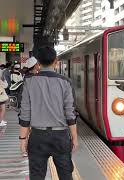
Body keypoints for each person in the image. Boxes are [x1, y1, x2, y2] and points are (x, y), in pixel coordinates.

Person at [19, 46, 78, 180]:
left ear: (38, 62)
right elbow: (71, 114)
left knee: (37, 176)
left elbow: (25, 114)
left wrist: (23, 140)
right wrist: (74, 137)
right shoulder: (66, 82)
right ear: (56, 61)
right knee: (66, 176)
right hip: (61, 136)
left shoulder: (29, 82)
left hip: (37, 136)